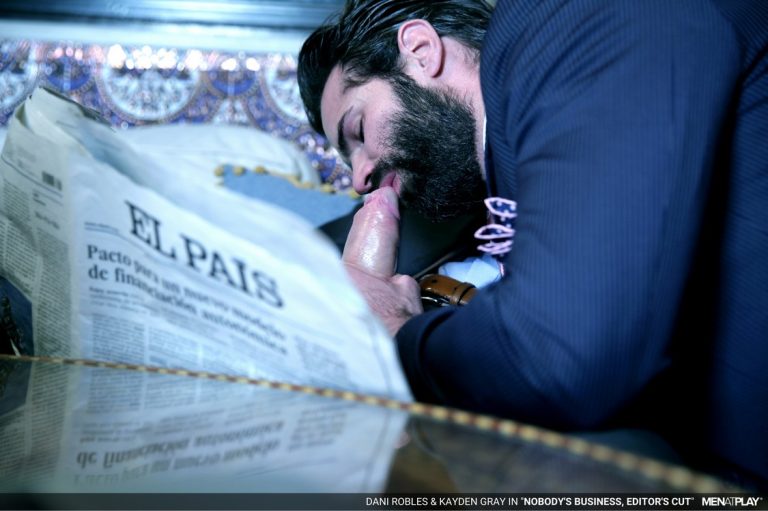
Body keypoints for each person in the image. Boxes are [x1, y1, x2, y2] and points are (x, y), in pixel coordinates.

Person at [297, 0, 768, 487]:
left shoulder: (571, 18)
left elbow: (561, 356)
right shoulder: (516, 159)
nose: (359, 178)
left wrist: (394, 334)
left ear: (420, 49)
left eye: (357, 130)